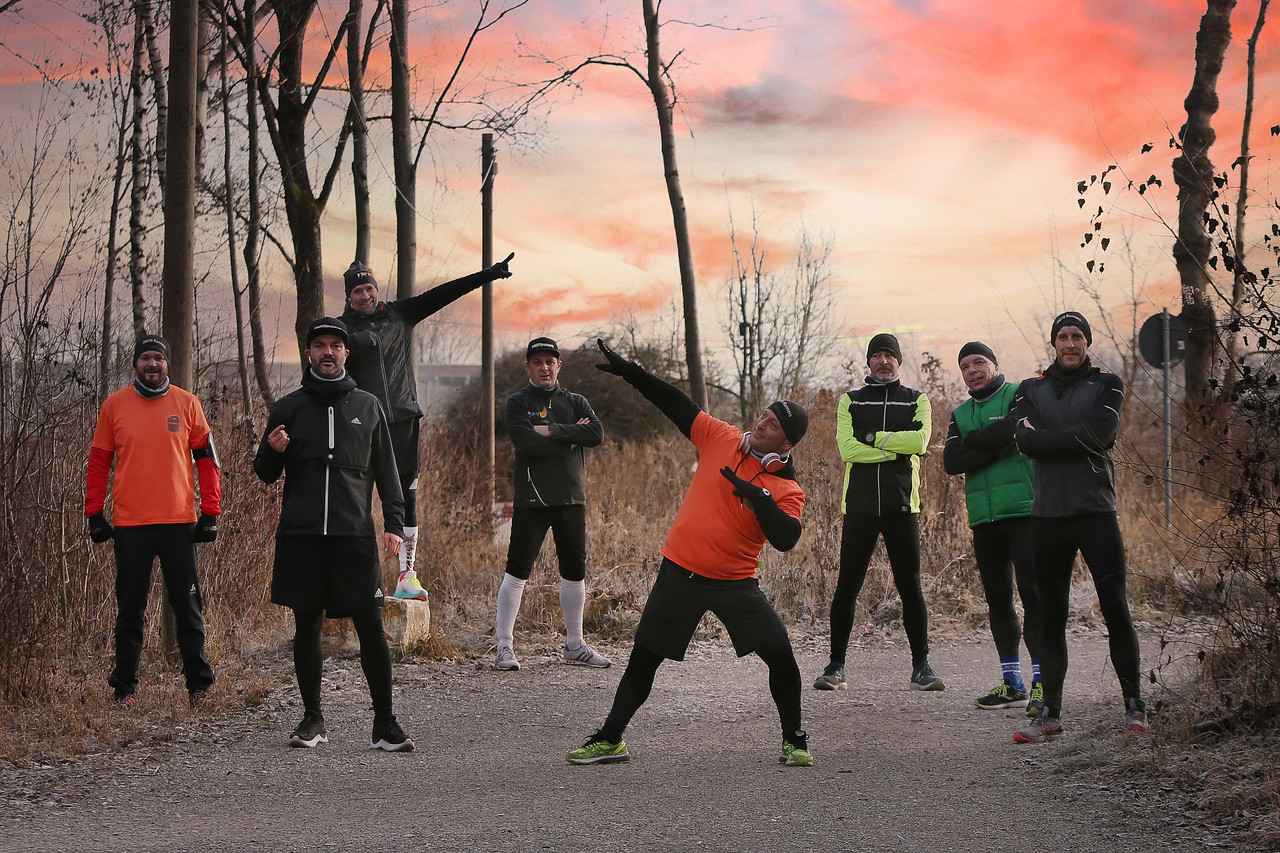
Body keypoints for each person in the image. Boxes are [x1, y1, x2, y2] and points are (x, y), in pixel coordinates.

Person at [565, 339, 813, 767]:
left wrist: (761, 500)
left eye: (772, 425)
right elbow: (674, 403)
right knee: (644, 658)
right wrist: (631, 372)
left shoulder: (787, 490)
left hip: (735, 584)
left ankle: (794, 740)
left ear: (787, 444)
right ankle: (609, 739)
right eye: (763, 415)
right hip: (680, 573)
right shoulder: (721, 437)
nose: (760, 424)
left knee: (782, 657)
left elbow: (787, 538)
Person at [254, 317, 412, 752]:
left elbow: (388, 472)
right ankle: (312, 720)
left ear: (346, 353)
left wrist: (394, 525)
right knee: (307, 626)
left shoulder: (368, 406)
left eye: (335, 346)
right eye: (319, 345)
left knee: (370, 626)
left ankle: (385, 724)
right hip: (302, 536)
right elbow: (264, 474)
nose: (327, 352)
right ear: (308, 353)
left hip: (354, 537)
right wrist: (273, 448)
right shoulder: (289, 406)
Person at [341, 253, 514, 601]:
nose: (365, 295)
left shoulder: (400, 313)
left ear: (377, 289)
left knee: (407, 498)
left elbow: (444, 293)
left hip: (404, 421)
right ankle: (359, 578)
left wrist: (488, 274)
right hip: (365, 426)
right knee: (356, 500)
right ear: (349, 296)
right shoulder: (342, 330)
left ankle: (407, 576)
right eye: (357, 290)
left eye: (369, 288)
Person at [1011, 311, 1145, 743]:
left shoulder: (1107, 383)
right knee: (1050, 616)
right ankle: (1049, 712)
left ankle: (1134, 704)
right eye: (1063, 337)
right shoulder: (1030, 388)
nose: (1070, 344)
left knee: (1115, 608)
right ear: (1053, 343)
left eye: (1077, 336)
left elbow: (1100, 435)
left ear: (1087, 342)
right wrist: (1061, 437)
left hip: (1095, 514)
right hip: (1047, 518)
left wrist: (1044, 438)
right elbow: (1022, 441)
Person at [85, 334, 220, 708]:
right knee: (130, 610)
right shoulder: (115, 406)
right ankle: (124, 688)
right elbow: (99, 464)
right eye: (145, 358)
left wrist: (211, 512)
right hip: (131, 525)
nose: (152, 364)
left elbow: (208, 463)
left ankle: (198, 686)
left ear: (168, 364)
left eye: (158, 358)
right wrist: (94, 512)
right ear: (135, 364)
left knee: (188, 607)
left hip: (180, 523)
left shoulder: (187, 403)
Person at [815, 332, 942, 692]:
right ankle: (835, 666)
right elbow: (847, 450)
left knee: (910, 586)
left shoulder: (917, 399)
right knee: (848, 586)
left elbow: (919, 442)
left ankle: (922, 666)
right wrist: (892, 449)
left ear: (898, 361)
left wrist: (872, 438)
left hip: (903, 506)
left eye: (890, 355)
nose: (883, 361)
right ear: (868, 361)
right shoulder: (850, 401)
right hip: (859, 507)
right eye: (877, 355)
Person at [494, 337, 609, 671]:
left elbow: (597, 435)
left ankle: (575, 645)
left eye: (550, 362)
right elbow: (525, 442)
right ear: (528, 366)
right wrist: (572, 437)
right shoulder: (517, 402)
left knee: (574, 571)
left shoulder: (576, 401)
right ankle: (504, 647)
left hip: (571, 497)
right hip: (532, 498)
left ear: (559, 365)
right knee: (517, 571)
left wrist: (552, 430)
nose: (544, 367)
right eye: (537, 362)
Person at [942, 341, 1043, 714]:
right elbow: (952, 461)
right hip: (984, 519)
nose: (973, 370)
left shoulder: (1021, 393)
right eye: (965, 366)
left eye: (979, 362)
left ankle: (1042, 681)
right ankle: (1011, 681)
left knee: (1034, 596)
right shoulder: (960, 412)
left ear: (994, 364)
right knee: (998, 601)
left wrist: (976, 443)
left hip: (1025, 512)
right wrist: (995, 443)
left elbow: (1012, 433)